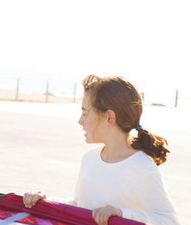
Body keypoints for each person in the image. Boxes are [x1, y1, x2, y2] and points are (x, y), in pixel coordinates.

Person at [23, 74, 180, 225]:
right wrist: (44, 201)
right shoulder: (89, 159)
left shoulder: (142, 166)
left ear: (109, 117)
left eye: (85, 112)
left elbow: (169, 221)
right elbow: (79, 206)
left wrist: (121, 213)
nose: (80, 121)